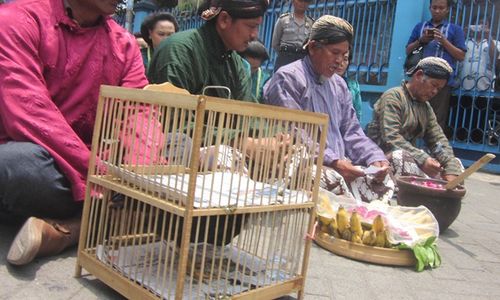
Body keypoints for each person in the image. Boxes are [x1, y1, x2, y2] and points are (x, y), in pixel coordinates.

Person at [0, 0, 148, 266]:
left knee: (177, 146)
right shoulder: (16, 20)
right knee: (14, 164)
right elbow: (28, 111)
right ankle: (115, 219)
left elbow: (139, 112)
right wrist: (103, 177)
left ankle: (73, 230)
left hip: (99, 165)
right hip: (46, 160)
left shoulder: (124, 43)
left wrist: (138, 175)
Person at [263, 15, 394, 203]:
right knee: (330, 180)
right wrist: (334, 162)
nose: (340, 61)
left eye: (344, 55)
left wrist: (374, 157)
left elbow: (352, 131)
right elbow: (295, 135)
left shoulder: (339, 85)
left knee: (384, 180)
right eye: (335, 53)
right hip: (300, 167)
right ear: (313, 47)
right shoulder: (288, 78)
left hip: (338, 165)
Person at [148, 0, 269, 102]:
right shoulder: (178, 52)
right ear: (224, 20)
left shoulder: (236, 63)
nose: (254, 35)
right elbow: (174, 120)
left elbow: (246, 115)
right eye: (251, 26)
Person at [367, 57, 461, 182]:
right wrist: (423, 159)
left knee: (455, 165)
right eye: (434, 85)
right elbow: (391, 138)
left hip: (411, 158)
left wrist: (450, 167)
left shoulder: (426, 108)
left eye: (439, 89)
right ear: (419, 75)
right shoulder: (393, 97)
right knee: (400, 157)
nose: (434, 92)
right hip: (381, 158)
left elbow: (438, 140)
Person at [406, 0, 466, 137]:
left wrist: (444, 41)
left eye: (441, 8)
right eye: (434, 7)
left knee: (437, 120)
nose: (437, 11)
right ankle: (411, 149)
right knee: (412, 116)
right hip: (420, 80)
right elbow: (408, 50)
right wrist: (421, 40)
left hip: (441, 84)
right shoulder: (420, 27)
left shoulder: (455, 29)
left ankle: (433, 154)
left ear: (447, 9)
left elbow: (461, 55)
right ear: (430, 8)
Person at [271, 0, 314, 72]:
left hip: (302, 58)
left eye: (305, 2)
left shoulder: (311, 23)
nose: (302, 4)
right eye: (300, 1)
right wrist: (285, 53)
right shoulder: (283, 20)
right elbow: (275, 43)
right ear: (293, 2)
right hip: (285, 57)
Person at [459, 20, 497, 91]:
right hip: (462, 89)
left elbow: (496, 61)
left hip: (486, 89)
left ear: (489, 27)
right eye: (478, 24)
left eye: (484, 24)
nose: (481, 26)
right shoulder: (464, 42)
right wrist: (462, 34)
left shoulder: (494, 43)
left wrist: (488, 37)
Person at [336, 51, 362, 121]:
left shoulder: (353, 85)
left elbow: (357, 114)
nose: (341, 64)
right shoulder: (321, 82)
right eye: (337, 58)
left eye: (345, 59)